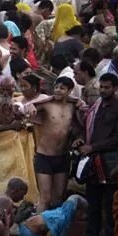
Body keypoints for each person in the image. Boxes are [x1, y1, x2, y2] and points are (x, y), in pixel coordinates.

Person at [78, 74, 118, 236]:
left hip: (110, 159)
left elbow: (117, 138)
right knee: (93, 201)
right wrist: (81, 141)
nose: (102, 90)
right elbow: (87, 128)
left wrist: (91, 147)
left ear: (116, 88)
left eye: (107, 87)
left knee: (110, 202)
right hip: (94, 158)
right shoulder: (97, 105)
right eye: (101, 87)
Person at [30, 78, 81, 211]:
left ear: (69, 91)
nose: (58, 90)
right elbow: (28, 107)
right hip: (44, 156)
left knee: (58, 198)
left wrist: (78, 138)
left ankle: (54, 230)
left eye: (62, 88)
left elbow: (78, 126)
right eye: (56, 87)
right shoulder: (47, 104)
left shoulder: (73, 106)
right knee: (45, 198)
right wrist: (28, 108)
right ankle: (37, 228)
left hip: (62, 157)